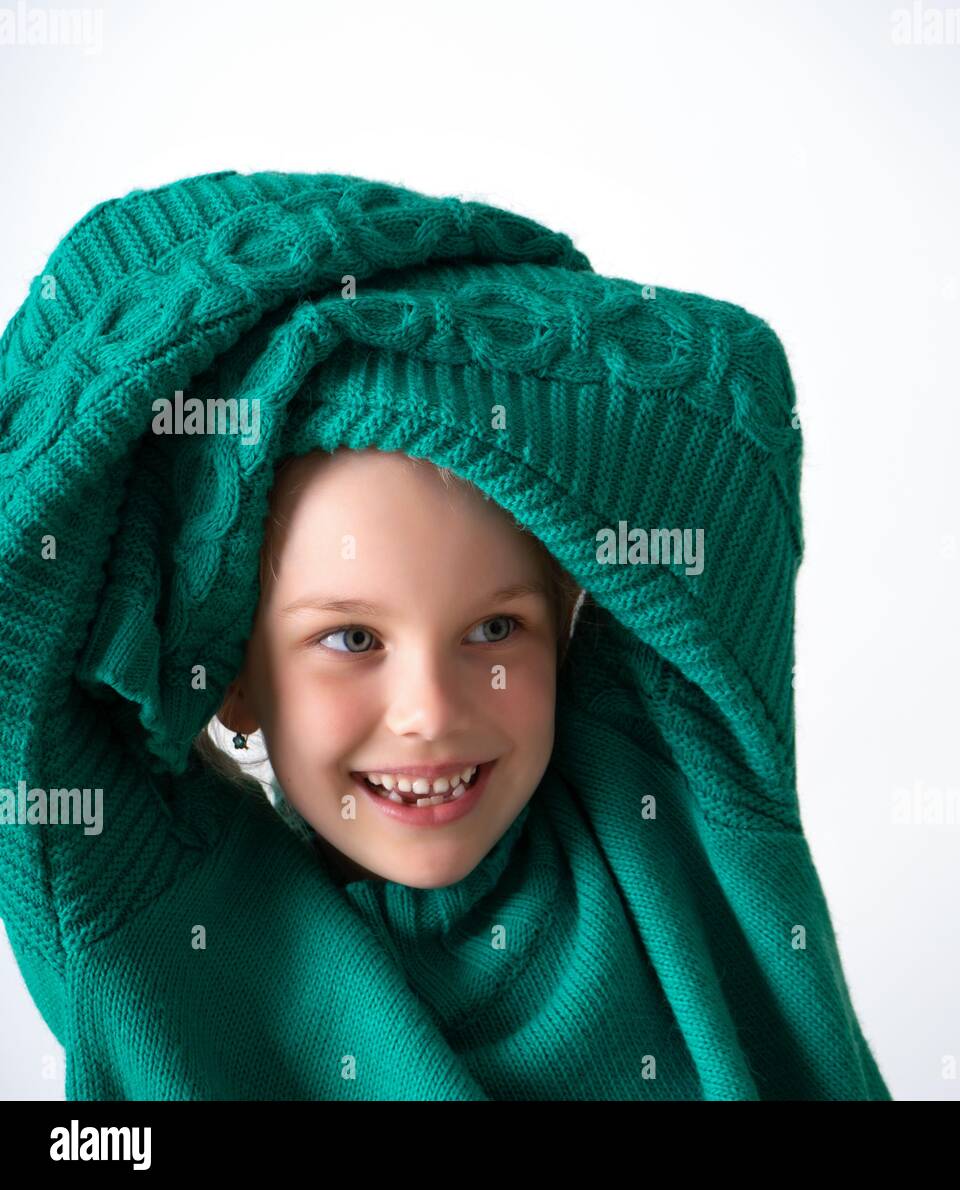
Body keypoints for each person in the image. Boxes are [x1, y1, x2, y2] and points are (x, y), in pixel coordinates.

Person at [0, 168, 892, 1100]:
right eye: (351, 639)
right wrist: (277, 347)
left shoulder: (660, 802)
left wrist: (340, 330)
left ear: (562, 633)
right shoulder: (159, 924)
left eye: (495, 629)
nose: (430, 712)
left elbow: (725, 387)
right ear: (233, 676)